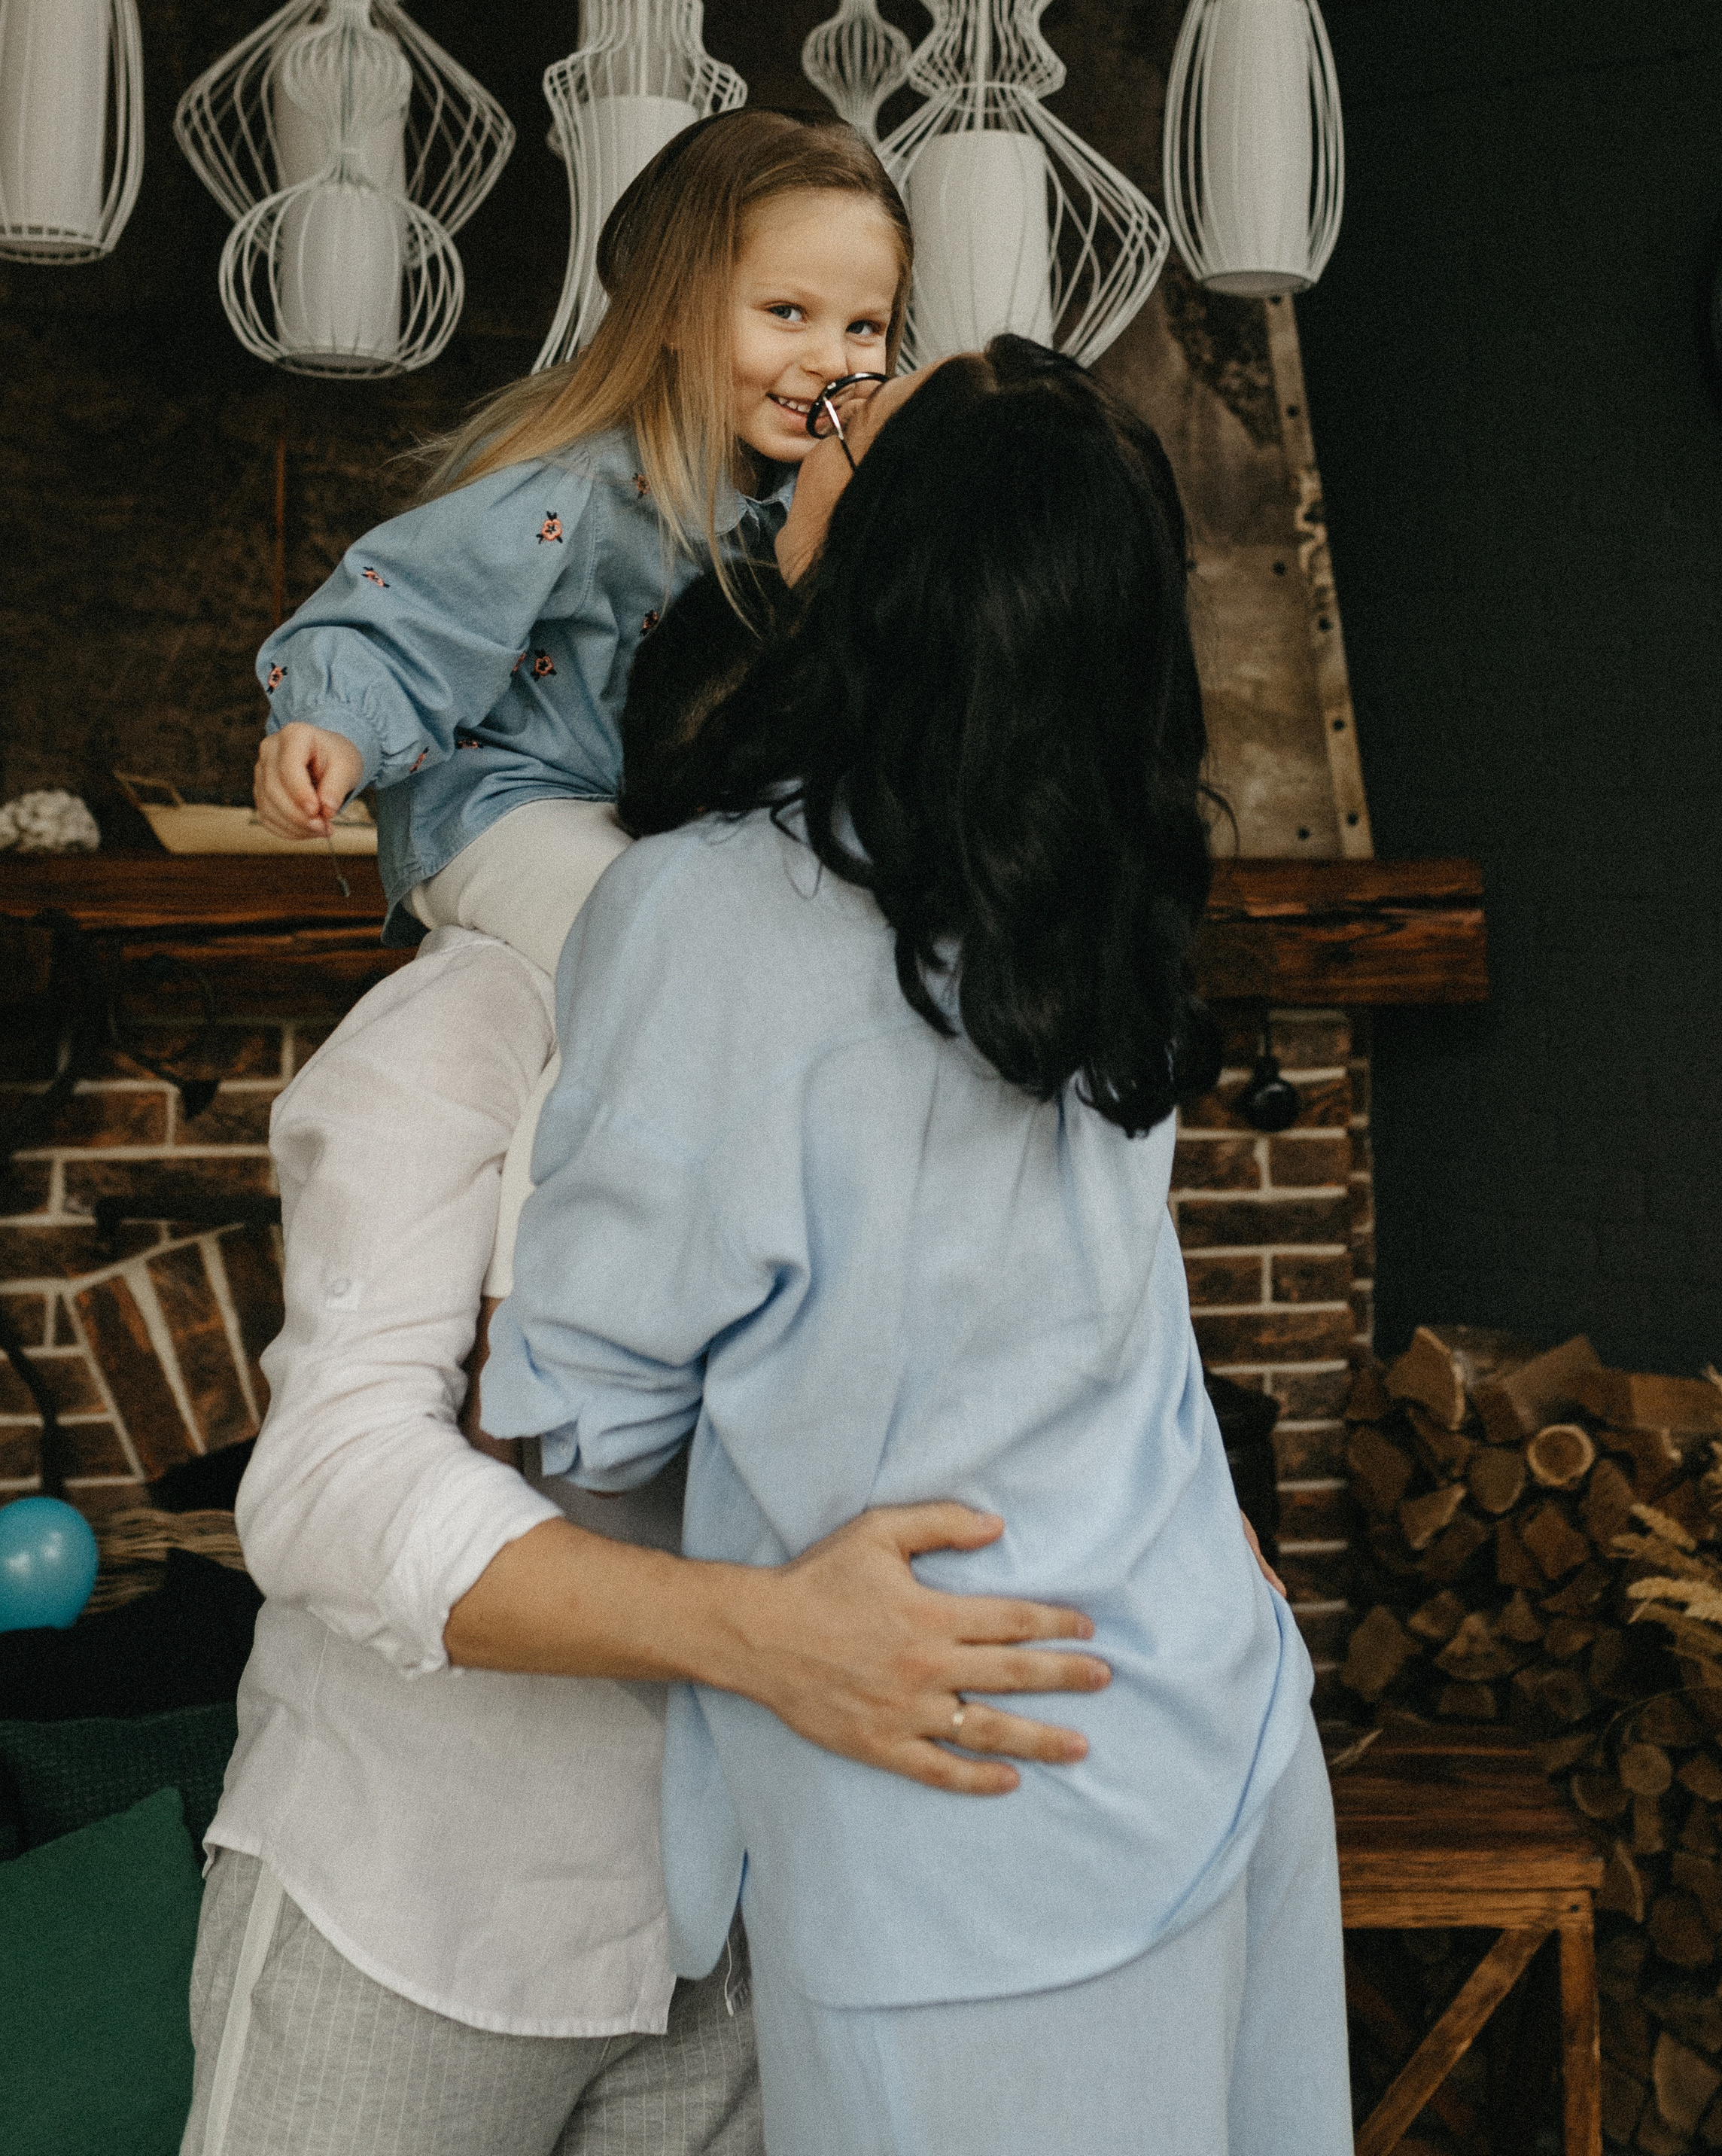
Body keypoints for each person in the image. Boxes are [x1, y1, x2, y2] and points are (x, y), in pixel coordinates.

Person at [483, 338, 1352, 2156]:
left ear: (890, 565)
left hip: (963, 1799)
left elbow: (580, 1418)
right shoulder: (1102, 877)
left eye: (846, 432)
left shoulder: (708, 915)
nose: (806, 427)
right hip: (1215, 1712)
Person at [181, 920, 1106, 2156]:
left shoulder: (918, 1031)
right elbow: (328, 1485)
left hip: (757, 1936)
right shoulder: (480, 1001)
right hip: (408, 1912)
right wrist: (771, 1637)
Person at [249, 109, 908, 984]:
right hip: (516, 808)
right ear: (675, 312)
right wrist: (334, 725)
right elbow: (417, 608)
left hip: (660, 829)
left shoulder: (822, 503)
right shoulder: (581, 485)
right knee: (660, 953)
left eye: (864, 327)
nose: (832, 358)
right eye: (787, 312)